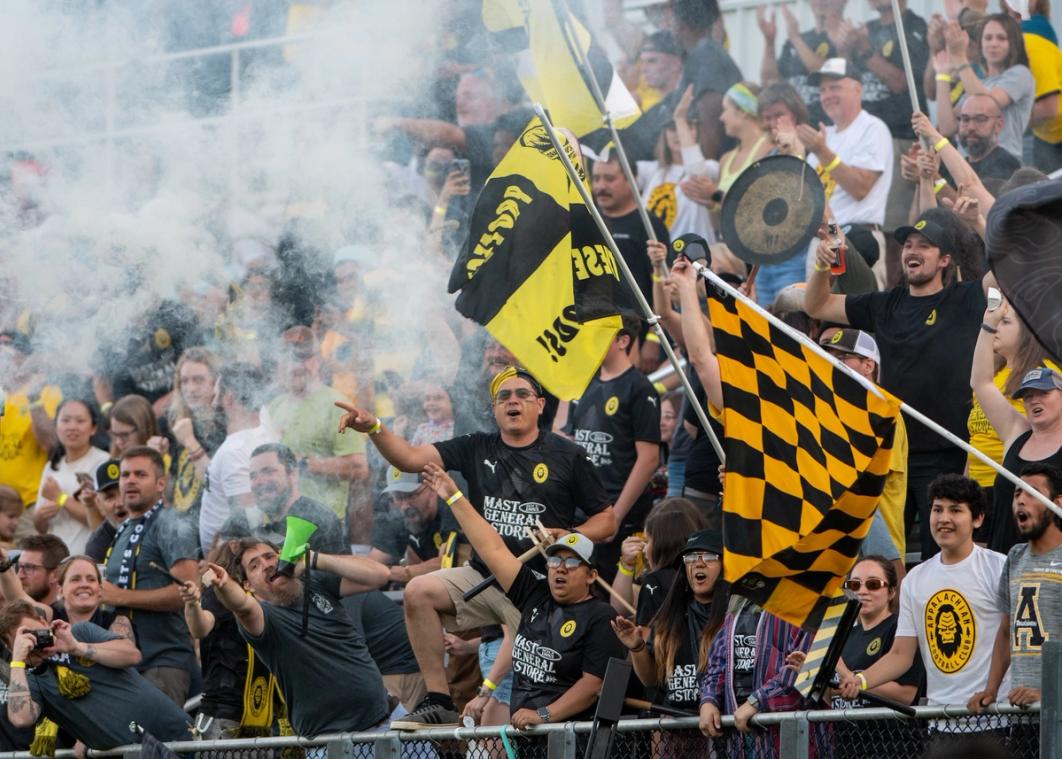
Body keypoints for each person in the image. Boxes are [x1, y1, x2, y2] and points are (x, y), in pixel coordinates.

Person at [335, 365, 616, 727]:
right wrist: (373, 427)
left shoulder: (567, 454)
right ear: (495, 409)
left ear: (541, 405)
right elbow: (408, 458)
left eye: (522, 395)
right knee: (418, 591)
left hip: (538, 589)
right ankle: (438, 700)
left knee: (507, 719)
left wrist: (570, 536)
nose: (512, 401)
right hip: (482, 577)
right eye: (504, 397)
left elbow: (607, 522)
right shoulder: (475, 446)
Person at [804, 210, 988, 559]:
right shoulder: (885, 304)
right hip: (892, 456)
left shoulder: (965, 299)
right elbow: (817, 304)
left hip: (948, 451)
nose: (911, 251)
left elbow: (1005, 277)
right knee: (884, 561)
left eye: (924, 245)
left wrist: (979, 223)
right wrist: (822, 266)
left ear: (945, 259)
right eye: (907, 244)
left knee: (945, 555)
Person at [420, 462, 627, 729]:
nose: (560, 569)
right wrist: (454, 497)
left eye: (572, 563)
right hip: (527, 737)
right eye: (554, 561)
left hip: (567, 737)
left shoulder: (601, 617)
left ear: (591, 575)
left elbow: (592, 685)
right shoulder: (534, 594)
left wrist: (543, 715)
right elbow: (492, 549)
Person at [838, 475, 1009, 722]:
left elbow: (1013, 639)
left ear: (978, 518)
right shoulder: (915, 579)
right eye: (937, 509)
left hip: (995, 716)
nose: (944, 519)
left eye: (956, 510)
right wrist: (860, 680)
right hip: (940, 719)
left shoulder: (999, 567)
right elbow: (900, 655)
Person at [200, 539, 391, 736]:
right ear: (249, 585)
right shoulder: (263, 617)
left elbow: (380, 575)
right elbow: (242, 606)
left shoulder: (315, 581)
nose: (266, 565)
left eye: (270, 556)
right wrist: (224, 585)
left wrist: (314, 559)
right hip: (330, 740)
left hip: (386, 718)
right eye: (254, 565)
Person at [1, 599, 192, 751]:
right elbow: (21, 718)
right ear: (11, 646)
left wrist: (77, 648)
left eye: (34, 632)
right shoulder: (32, 680)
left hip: (177, 733)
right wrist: (18, 660)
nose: (33, 642)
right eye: (23, 638)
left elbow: (132, 655)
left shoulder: (80, 632)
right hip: (132, 753)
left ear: (44, 622)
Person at [565, 316, 661, 581]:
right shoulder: (586, 383)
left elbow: (649, 459)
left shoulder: (640, 388)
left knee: (616, 596)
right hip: (585, 511)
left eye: (599, 334)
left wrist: (616, 517)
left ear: (623, 341)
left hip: (620, 514)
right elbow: (573, 441)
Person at [102, 446, 199, 706]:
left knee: (155, 745)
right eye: (125, 475)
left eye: (140, 474)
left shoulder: (171, 523)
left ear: (160, 484)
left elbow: (187, 591)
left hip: (161, 662)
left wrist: (120, 596)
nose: (130, 480)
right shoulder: (124, 527)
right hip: (123, 664)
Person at [970, 464, 1062, 717]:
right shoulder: (1015, 556)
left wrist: (1050, 695)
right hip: (1021, 711)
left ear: (1057, 503)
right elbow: (1006, 632)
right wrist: (990, 689)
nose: (1021, 500)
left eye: (1032, 493)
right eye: (1016, 493)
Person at [818, 327, 909, 565]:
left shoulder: (885, 410)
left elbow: (868, 477)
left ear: (868, 365)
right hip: (840, 542)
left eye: (841, 358)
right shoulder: (836, 409)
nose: (832, 363)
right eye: (828, 356)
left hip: (880, 544)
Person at [971, 321, 1062, 553]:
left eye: (1044, 392)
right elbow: (981, 382)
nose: (1034, 400)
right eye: (1028, 395)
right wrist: (989, 325)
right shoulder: (1017, 433)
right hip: (1005, 560)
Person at [613, 529, 727, 713]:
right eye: (690, 557)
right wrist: (636, 647)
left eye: (709, 556)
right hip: (674, 727)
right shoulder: (668, 616)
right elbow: (650, 680)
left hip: (719, 723)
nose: (698, 564)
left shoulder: (735, 616)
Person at [800, 58, 895, 271]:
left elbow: (860, 188)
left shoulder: (872, 128)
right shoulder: (824, 137)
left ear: (857, 90)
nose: (827, 95)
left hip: (858, 240)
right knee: (816, 306)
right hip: (822, 241)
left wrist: (822, 152)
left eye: (835, 87)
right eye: (823, 90)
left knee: (858, 305)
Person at [266, 327, 367, 523]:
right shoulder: (275, 406)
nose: (294, 365)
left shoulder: (338, 405)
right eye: (287, 358)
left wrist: (303, 464)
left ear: (317, 360)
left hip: (320, 524)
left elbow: (359, 467)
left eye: (302, 357)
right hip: (277, 522)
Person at [965, 302, 1052, 502]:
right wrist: (966, 484)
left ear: (1027, 331)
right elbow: (976, 438)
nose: (996, 327)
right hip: (977, 488)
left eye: (1005, 322)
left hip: (1012, 483)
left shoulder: (1044, 375)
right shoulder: (993, 374)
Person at [199, 362, 276, 555]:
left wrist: (213, 563)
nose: (213, 401)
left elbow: (245, 520)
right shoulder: (265, 430)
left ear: (229, 398)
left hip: (227, 560)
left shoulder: (235, 450)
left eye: (216, 394)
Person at [218, 443, 348, 555]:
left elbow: (334, 582)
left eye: (268, 472)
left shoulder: (321, 521)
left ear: (293, 474)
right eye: (253, 476)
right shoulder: (244, 520)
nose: (259, 482)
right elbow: (216, 562)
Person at [939, 14, 1034, 160]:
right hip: (970, 165)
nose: (993, 43)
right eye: (988, 38)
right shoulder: (979, 85)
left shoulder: (1020, 74)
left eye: (1001, 38)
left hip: (1003, 166)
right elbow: (947, 127)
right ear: (980, 44)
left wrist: (959, 58)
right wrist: (942, 75)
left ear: (1014, 43)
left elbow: (987, 103)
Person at [635, 84, 718, 243]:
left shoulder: (711, 167)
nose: (679, 133)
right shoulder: (651, 170)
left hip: (695, 260)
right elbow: (617, 174)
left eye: (688, 126)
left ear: (697, 131)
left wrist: (680, 119)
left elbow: (696, 173)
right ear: (664, 133)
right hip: (660, 259)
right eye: (672, 128)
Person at [33, 399, 110, 555]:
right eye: (65, 420)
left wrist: (60, 498)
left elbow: (103, 521)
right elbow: (40, 527)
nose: (72, 427)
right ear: (56, 427)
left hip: (87, 559)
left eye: (80, 421)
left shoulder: (103, 462)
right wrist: (40, 517)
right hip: (55, 559)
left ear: (93, 428)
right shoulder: (52, 466)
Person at [594, 151, 671, 306]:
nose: (601, 186)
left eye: (609, 179)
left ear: (632, 180)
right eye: (596, 178)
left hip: (638, 326)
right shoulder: (587, 221)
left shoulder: (650, 226)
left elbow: (664, 286)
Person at [611, 497, 708, 621]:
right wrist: (627, 565)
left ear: (667, 542)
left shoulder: (699, 580)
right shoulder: (653, 580)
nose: (644, 549)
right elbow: (620, 608)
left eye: (649, 541)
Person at [368, 468, 463, 585]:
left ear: (432, 488)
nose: (404, 506)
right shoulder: (395, 518)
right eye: (398, 497)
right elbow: (372, 563)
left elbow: (447, 563)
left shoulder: (451, 508)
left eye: (410, 495)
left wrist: (394, 573)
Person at [758, 0, 845, 126]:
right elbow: (770, 81)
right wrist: (769, 41)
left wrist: (795, 38)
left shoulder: (851, 35)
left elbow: (826, 73)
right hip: (793, 128)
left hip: (827, 128)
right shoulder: (798, 39)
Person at [0, 331, 59, 516]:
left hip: (27, 505)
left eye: (8, 349)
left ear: (26, 357)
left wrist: (33, 398)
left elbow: (49, 443)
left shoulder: (47, 392)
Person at [164, 347, 225, 515]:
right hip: (180, 529)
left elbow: (217, 486)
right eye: (184, 381)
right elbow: (171, 495)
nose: (190, 389)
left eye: (198, 380)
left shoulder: (226, 428)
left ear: (215, 382)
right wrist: (158, 460)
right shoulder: (182, 426)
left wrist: (190, 442)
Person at [715, 82, 773, 197]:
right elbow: (718, 214)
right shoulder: (725, 160)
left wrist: (714, 196)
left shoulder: (768, 150)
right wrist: (710, 204)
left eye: (725, 109)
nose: (721, 117)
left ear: (742, 111)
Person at [1, 535, 69, 611]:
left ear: (56, 575)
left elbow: (16, 597)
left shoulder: (64, 612)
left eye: (28, 568)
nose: (20, 575)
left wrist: (4, 564)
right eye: (19, 566)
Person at [83, 459, 126, 562]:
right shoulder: (96, 546)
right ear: (99, 504)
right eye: (110, 497)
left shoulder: (158, 528)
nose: (119, 503)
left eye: (124, 492)